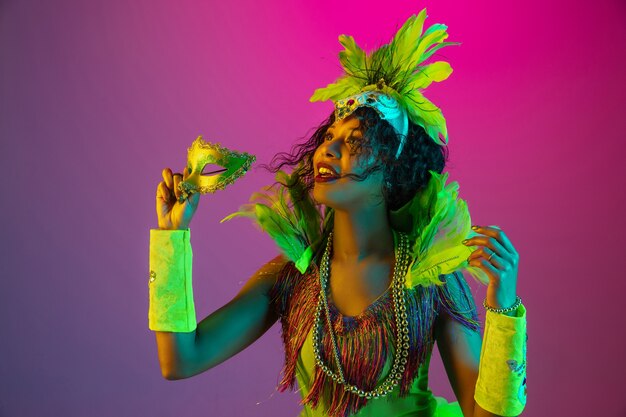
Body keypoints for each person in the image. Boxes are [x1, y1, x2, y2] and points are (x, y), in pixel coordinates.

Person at [148, 9, 527, 417]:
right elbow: (181, 361)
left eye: (356, 139)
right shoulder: (291, 277)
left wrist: (502, 306)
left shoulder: (432, 279)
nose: (328, 150)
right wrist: (172, 237)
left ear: (390, 169)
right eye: (329, 137)